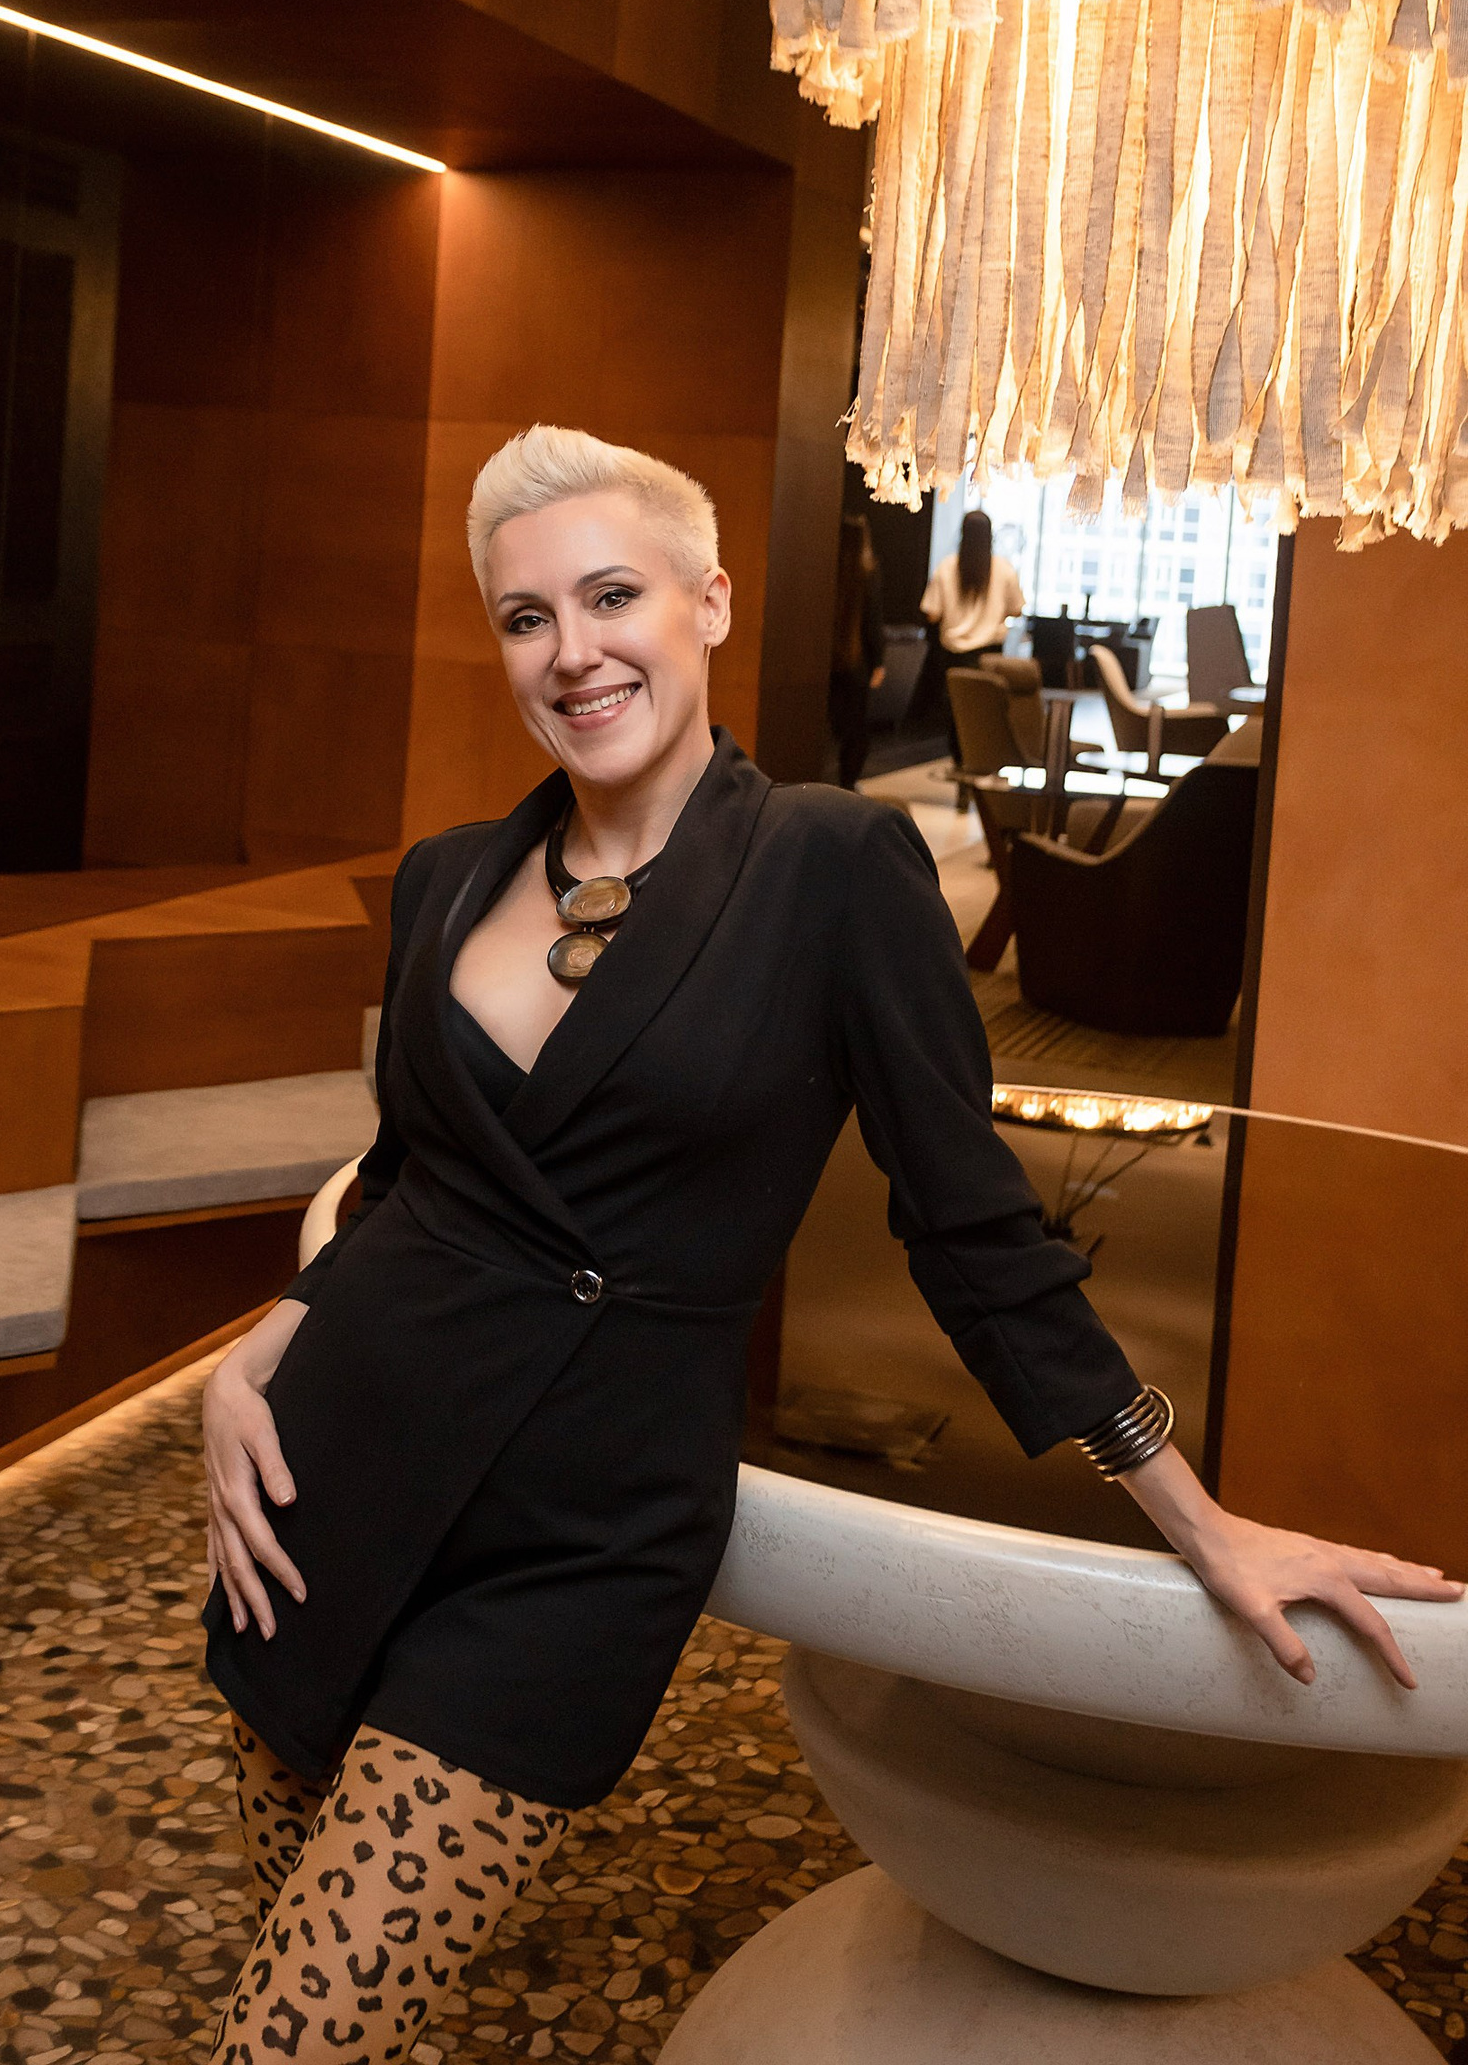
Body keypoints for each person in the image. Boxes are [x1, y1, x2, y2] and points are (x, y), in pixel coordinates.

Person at [198, 426, 1456, 2065]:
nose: (572, 651)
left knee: (292, 2039)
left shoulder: (832, 865)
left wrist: (1195, 1517)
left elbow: (972, 1226)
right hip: (320, 1486)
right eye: (525, 617)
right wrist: (263, 1345)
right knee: (299, 1998)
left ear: (710, 602)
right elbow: (408, 1176)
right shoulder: (446, 880)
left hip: (573, 1545)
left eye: (612, 596)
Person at [921, 505, 1026, 769]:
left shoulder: (947, 567)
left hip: (954, 656)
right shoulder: (1003, 569)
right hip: (990, 656)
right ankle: (983, 767)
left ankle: (960, 766)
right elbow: (1017, 609)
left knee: (958, 715)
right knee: (986, 715)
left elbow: (931, 613)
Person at [827, 509, 887, 789]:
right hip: (856, 665)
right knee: (855, 730)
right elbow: (873, 622)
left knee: (830, 726)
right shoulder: (868, 573)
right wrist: (879, 662)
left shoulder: (826, 572)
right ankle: (847, 784)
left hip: (827, 663)